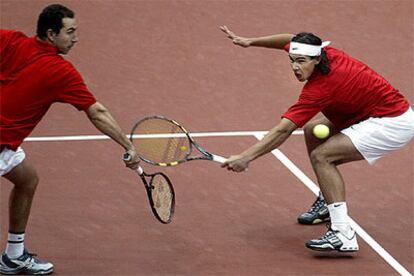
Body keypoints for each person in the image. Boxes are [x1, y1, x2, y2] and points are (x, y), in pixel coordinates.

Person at [220, 26, 414, 252]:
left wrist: (246, 157)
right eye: (292, 60)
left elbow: (282, 131)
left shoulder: (321, 88)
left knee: (323, 157)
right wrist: (250, 41)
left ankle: (343, 233)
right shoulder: (323, 53)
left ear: (316, 58)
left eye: (301, 61)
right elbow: (288, 39)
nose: (295, 66)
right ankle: (327, 201)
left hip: (391, 122)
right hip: (368, 113)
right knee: (314, 129)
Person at [0, 4, 140, 275]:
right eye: (70, 32)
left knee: (27, 179)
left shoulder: (11, 40)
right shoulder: (60, 71)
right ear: (51, 34)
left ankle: (13, 255)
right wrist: (128, 145)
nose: (75, 38)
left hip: (6, 145)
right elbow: (97, 112)